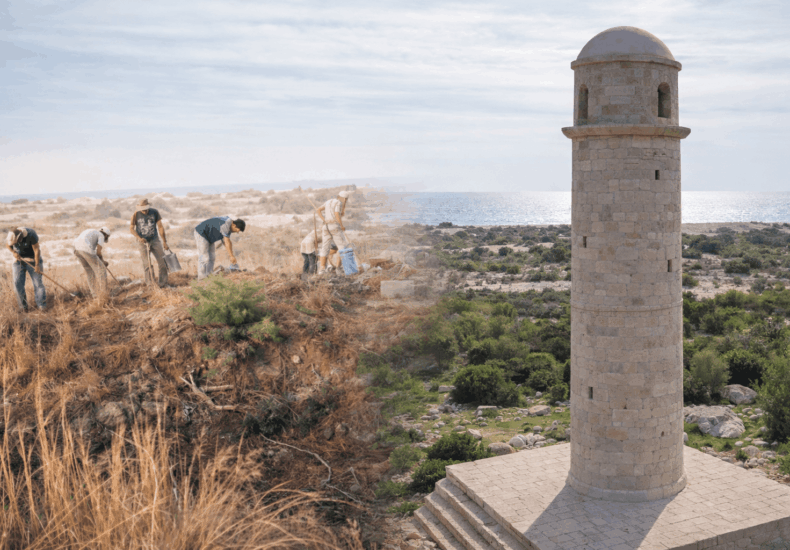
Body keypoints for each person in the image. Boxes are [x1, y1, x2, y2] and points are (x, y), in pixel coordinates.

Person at [130, 198, 169, 287]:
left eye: (146, 209)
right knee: (147, 264)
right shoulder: (136, 214)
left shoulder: (155, 212)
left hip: (154, 240)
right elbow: (131, 229)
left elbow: (160, 227)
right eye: (142, 210)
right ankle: (150, 285)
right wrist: (139, 238)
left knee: (162, 261)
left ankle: (163, 283)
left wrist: (164, 242)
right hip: (142, 242)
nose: (144, 211)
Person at [6, 227, 46, 311]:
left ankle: (41, 305)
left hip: (33, 259)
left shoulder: (31, 234)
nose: (15, 244)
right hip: (19, 260)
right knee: (17, 282)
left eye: (16, 242)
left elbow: (36, 250)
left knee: (37, 283)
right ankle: (23, 308)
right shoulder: (11, 236)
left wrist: (37, 265)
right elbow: (8, 245)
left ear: (20, 237)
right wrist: (14, 252)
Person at [314, 190, 351, 274]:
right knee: (342, 247)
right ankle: (339, 268)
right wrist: (341, 225)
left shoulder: (329, 201)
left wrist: (324, 220)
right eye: (346, 199)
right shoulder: (338, 203)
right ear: (344, 198)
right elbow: (337, 214)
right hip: (334, 226)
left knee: (325, 247)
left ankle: (322, 269)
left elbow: (318, 210)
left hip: (326, 227)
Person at [73, 226, 111, 297]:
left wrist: (101, 260)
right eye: (107, 237)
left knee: (90, 271)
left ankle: (95, 295)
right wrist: (103, 262)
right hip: (85, 249)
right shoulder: (101, 235)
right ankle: (104, 295)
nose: (106, 238)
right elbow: (98, 252)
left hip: (76, 249)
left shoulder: (91, 231)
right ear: (105, 234)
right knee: (101, 270)